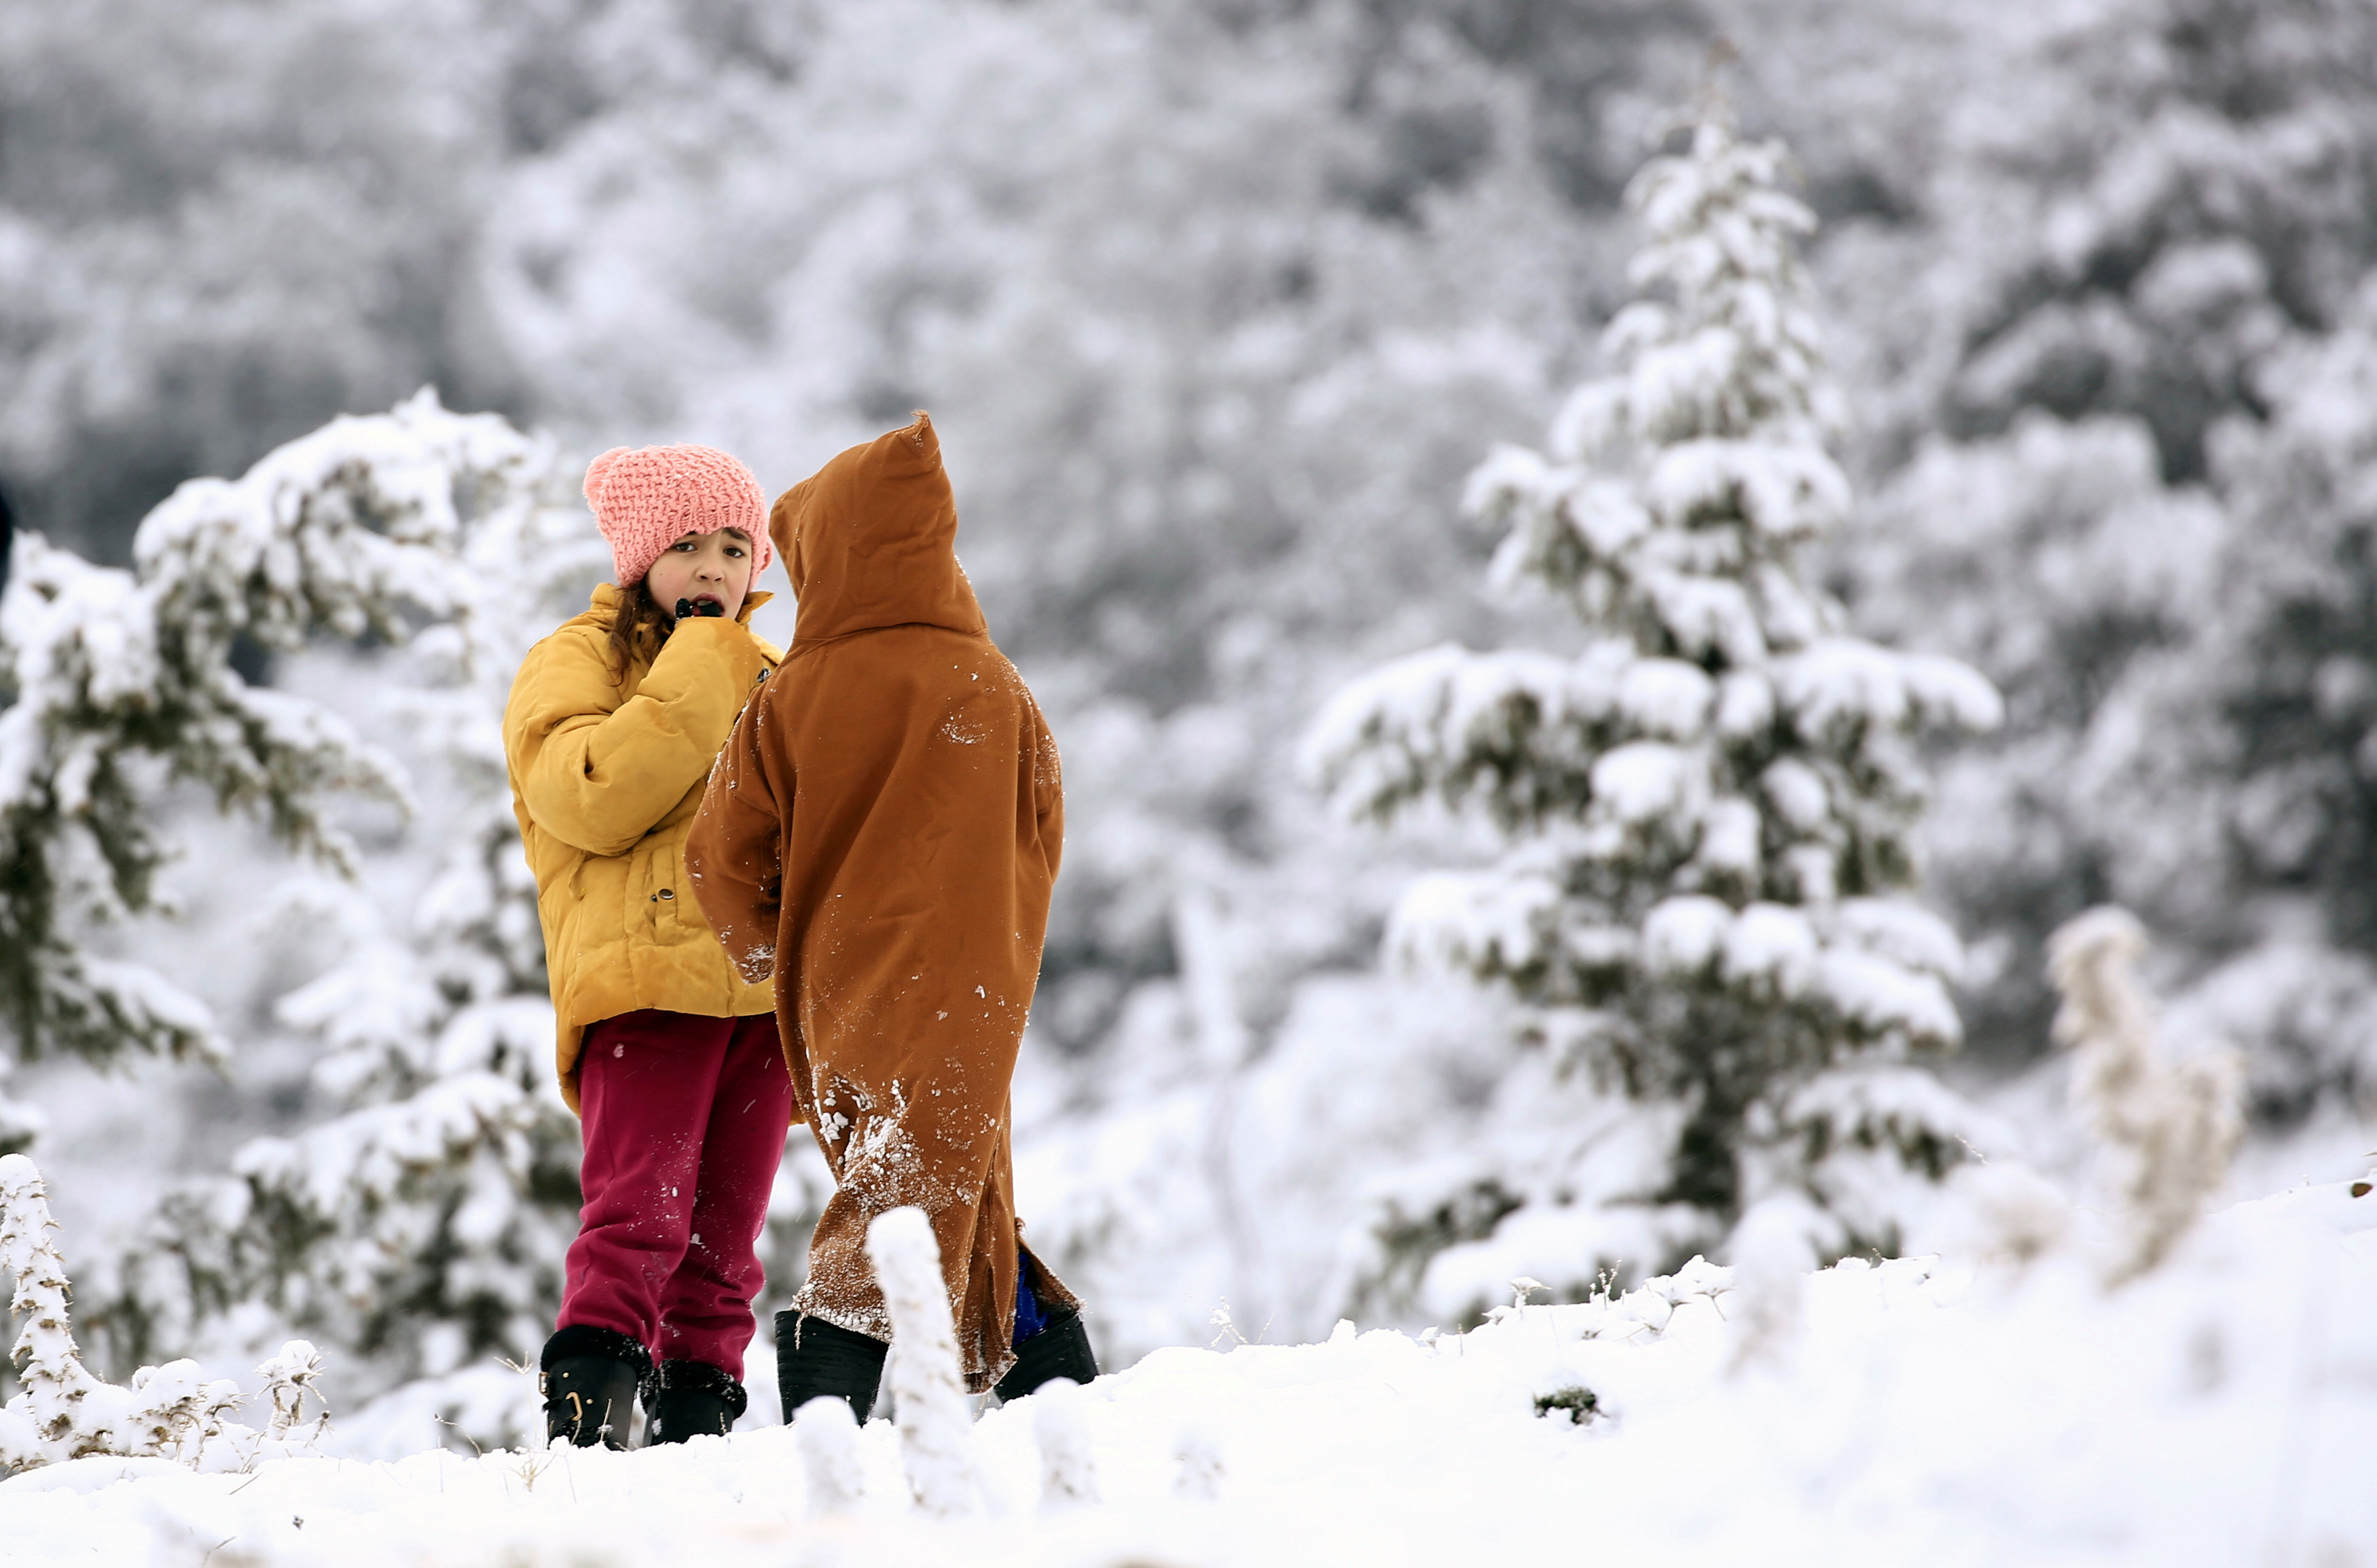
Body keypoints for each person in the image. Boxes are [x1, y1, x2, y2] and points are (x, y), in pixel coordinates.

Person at [686, 412, 1095, 1422]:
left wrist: (773, 949)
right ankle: (829, 1382)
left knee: (945, 1166)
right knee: (922, 1163)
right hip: (969, 976)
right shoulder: (990, 684)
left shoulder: (791, 697)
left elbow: (718, 855)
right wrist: (1005, 922)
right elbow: (1042, 819)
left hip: (833, 985)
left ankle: (1052, 1368)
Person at [503, 444, 793, 1448]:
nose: (715, 568)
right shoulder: (576, 660)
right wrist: (702, 669)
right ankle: (582, 1442)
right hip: (645, 983)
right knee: (639, 1224)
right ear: (638, 556)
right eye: (687, 545)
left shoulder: (772, 671)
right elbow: (588, 796)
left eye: (733, 546)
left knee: (724, 1249)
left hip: (760, 995)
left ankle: (694, 1448)